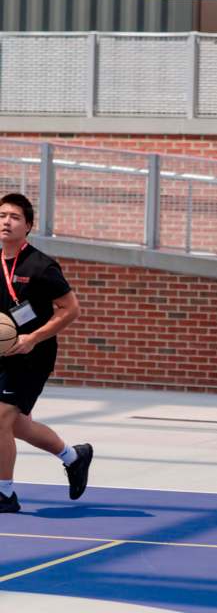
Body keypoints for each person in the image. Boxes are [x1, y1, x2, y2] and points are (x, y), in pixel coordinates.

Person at [0, 193, 93, 513]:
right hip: (4, 353)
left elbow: (70, 310)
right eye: (1, 216)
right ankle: (74, 456)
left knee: (0, 418)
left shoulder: (41, 266)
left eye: (13, 217)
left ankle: (5, 494)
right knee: (18, 425)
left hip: (33, 356)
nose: (5, 221)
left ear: (28, 226)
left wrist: (34, 337)